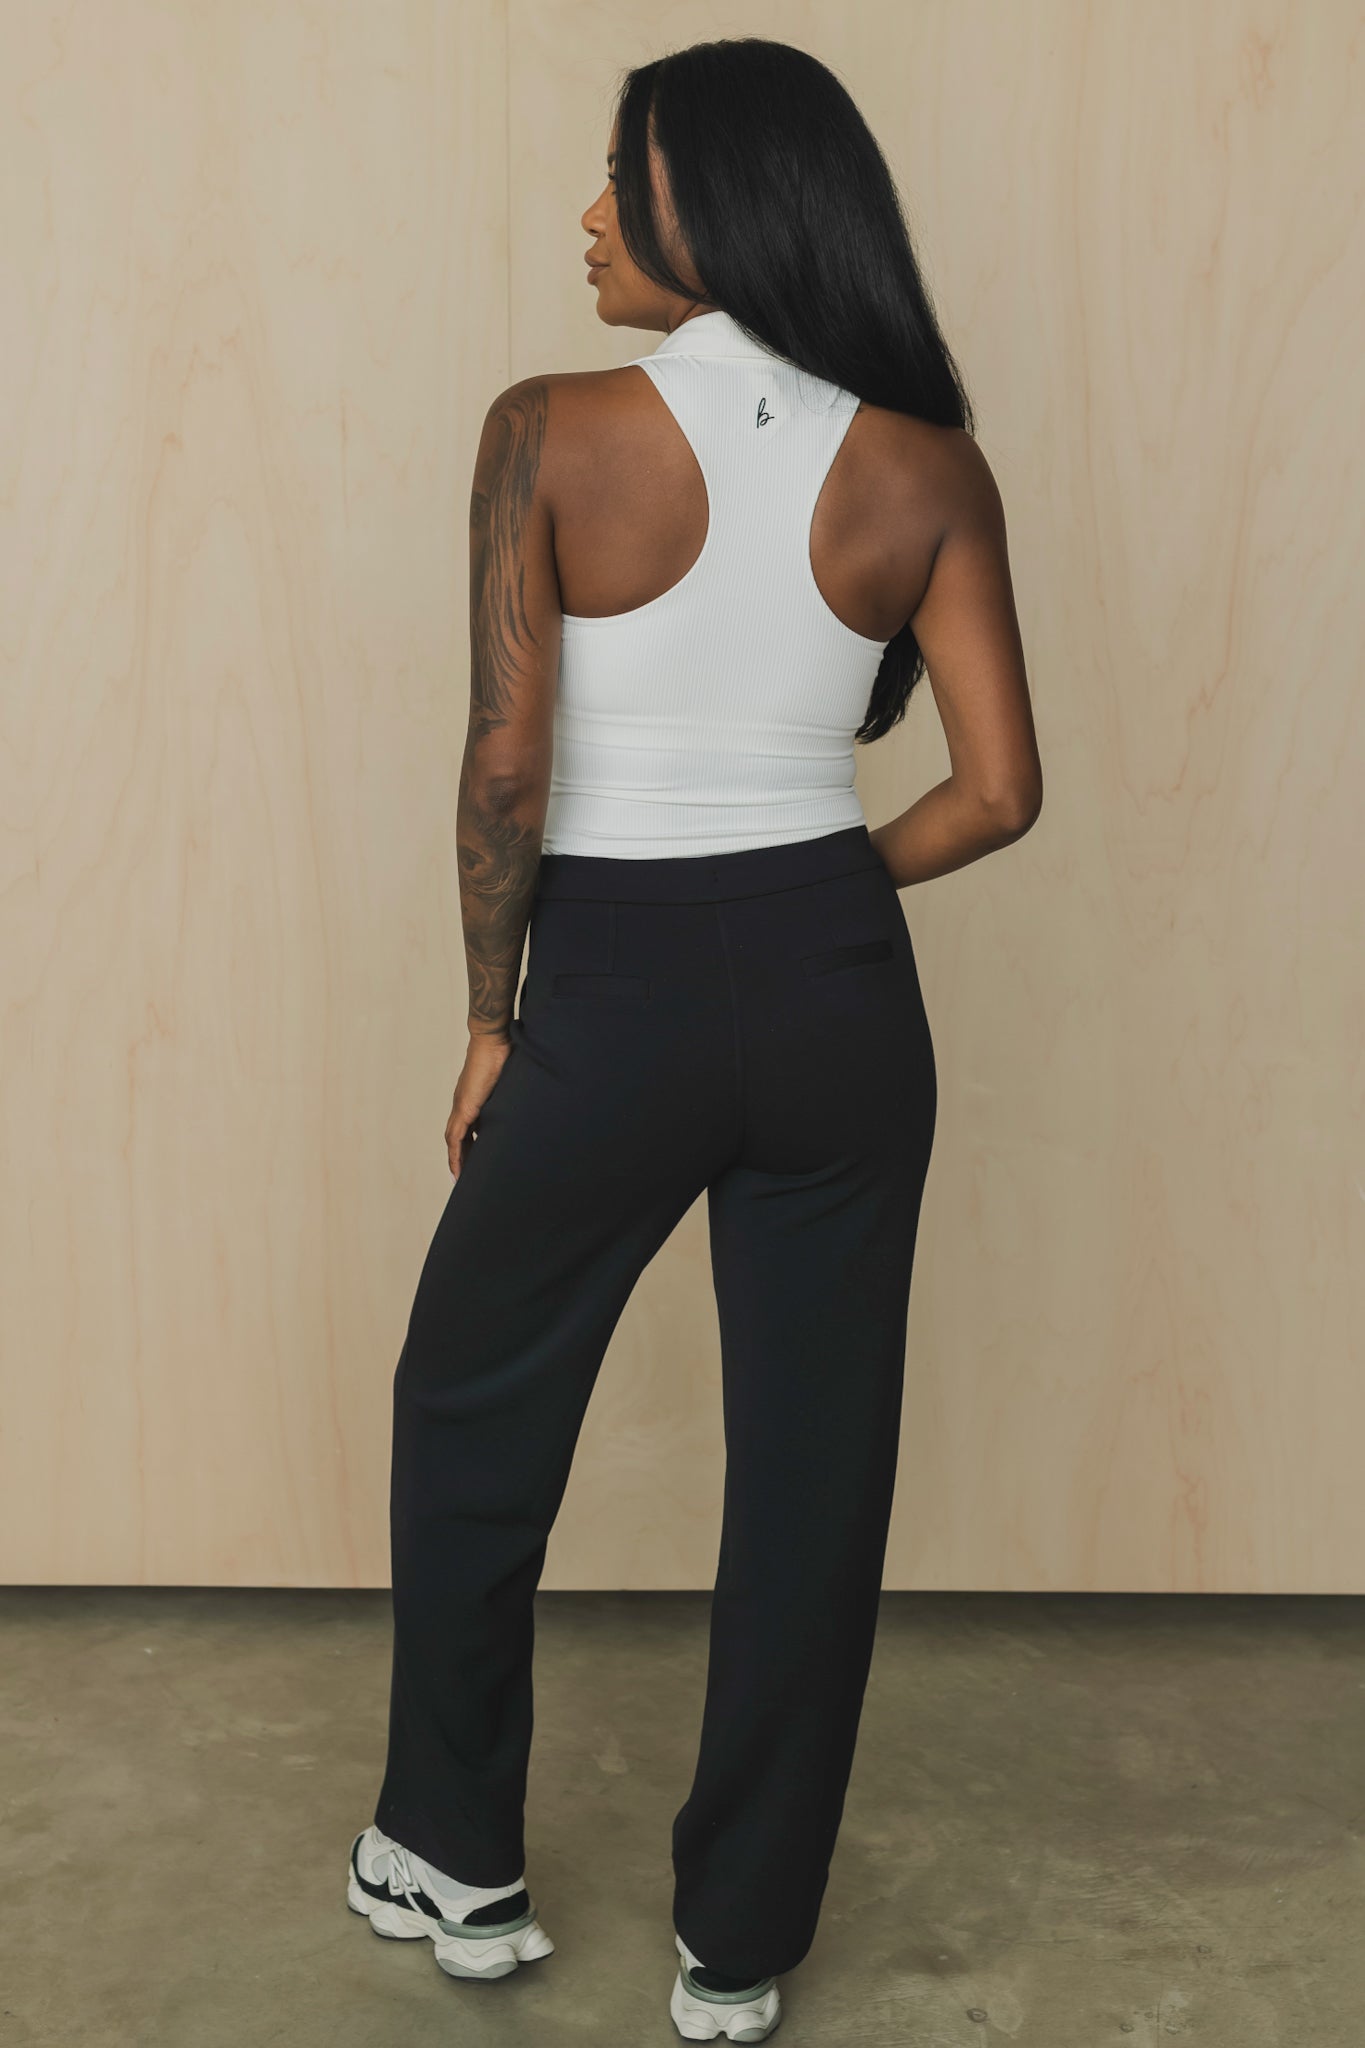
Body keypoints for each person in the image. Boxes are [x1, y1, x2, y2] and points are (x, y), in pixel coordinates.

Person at [346, 33, 1041, 2043]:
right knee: (813, 1474)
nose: (586, 214)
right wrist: (818, 892)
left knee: (471, 1401)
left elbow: (506, 768)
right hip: (836, 996)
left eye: (618, 176)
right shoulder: (924, 463)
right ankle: (736, 1950)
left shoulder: (547, 430)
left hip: (616, 987)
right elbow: (998, 792)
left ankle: (454, 1856)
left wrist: (491, 1015)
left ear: (710, 203)